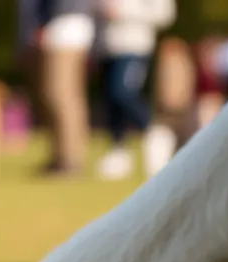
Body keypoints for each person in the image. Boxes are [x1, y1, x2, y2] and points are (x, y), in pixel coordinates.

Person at [93, 0, 175, 180]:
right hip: (107, 49)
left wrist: (123, 11)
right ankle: (118, 150)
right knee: (111, 102)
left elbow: (164, 14)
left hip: (135, 47)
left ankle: (154, 130)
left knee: (123, 93)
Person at [35, 0, 96, 177]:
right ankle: (62, 156)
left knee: (61, 95)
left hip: (66, 25)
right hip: (67, 25)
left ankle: (70, 159)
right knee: (66, 95)